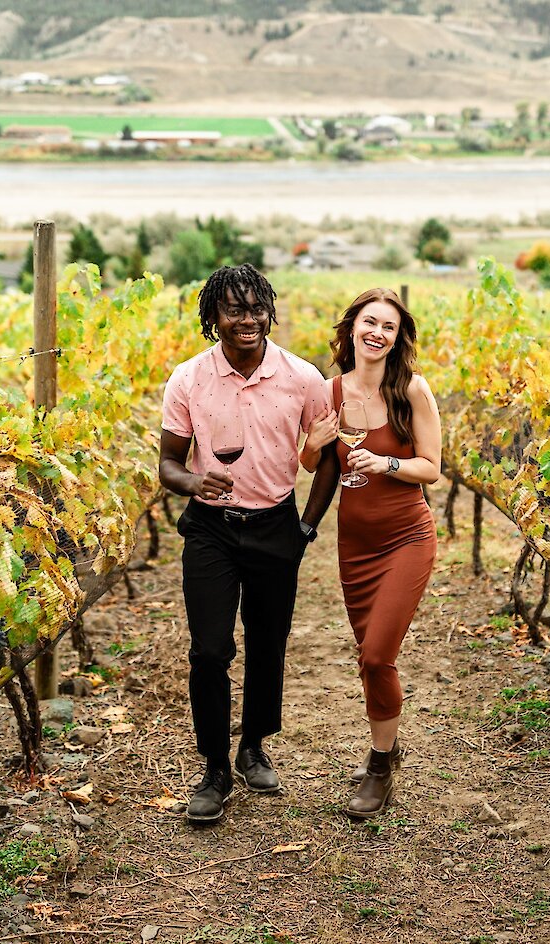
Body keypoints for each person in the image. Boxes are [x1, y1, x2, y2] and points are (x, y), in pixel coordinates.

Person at [159, 264, 338, 824]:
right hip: (210, 528)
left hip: (274, 525)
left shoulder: (302, 377)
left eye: (257, 308)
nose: (248, 320)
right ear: (213, 316)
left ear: (269, 311)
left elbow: (329, 455)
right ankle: (214, 766)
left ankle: (253, 745)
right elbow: (168, 463)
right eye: (234, 310)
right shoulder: (188, 379)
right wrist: (193, 480)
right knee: (209, 650)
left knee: (267, 643)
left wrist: (306, 527)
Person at [300, 287, 441, 819]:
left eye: (388, 326)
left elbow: (432, 466)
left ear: (397, 338)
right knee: (370, 661)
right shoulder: (328, 391)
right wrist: (313, 444)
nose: (377, 333)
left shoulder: (412, 391)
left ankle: (380, 766)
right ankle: (389, 747)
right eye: (369, 322)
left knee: (377, 655)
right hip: (353, 546)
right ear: (351, 328)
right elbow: (316, 467)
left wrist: (385, 465)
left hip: (406, 537)